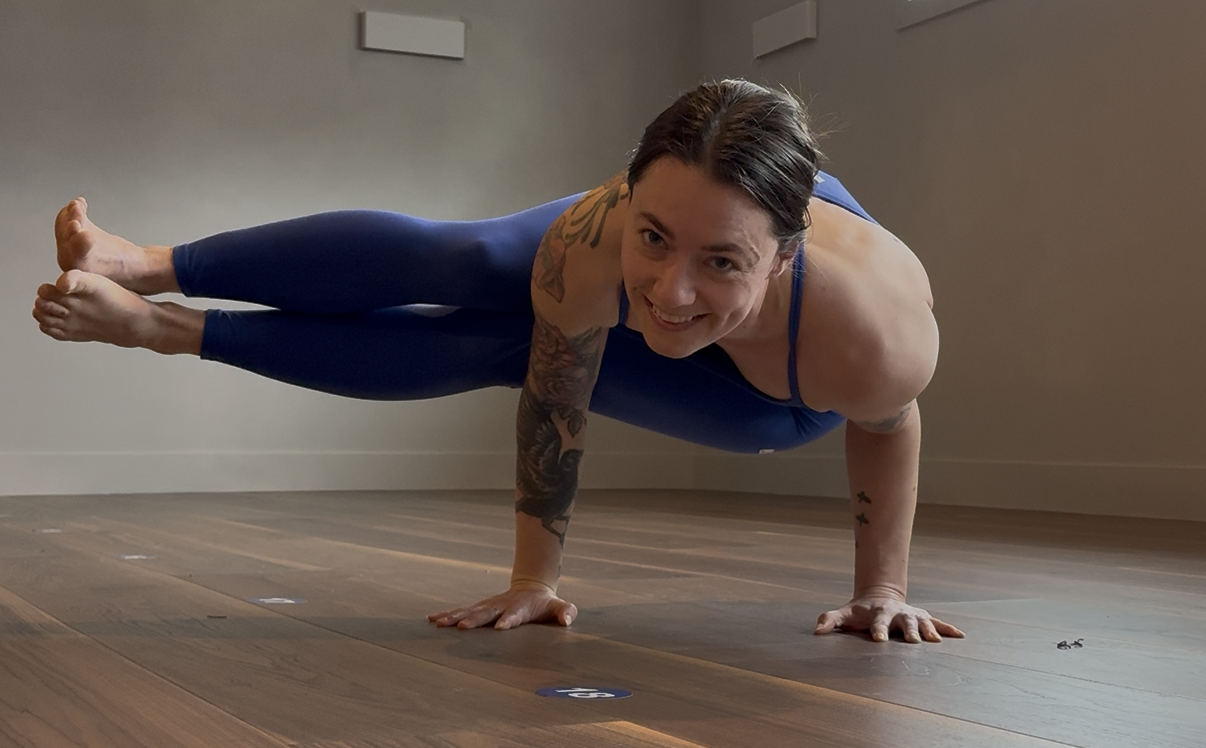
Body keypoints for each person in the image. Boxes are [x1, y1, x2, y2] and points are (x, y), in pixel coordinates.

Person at [31, 78, 962, 645]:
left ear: (786, 255)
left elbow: (888, 430)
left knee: (504, 343)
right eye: (653, 238)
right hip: (621, 249)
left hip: (772, 401)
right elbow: (558, 395)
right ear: (628, 199)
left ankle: (170, 331)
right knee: (472, 262)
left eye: (721, 262)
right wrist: (534, 582)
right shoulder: (595, 240)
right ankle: (143, 267)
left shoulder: (874, 341)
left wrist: (881, 591)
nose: (669, 292)